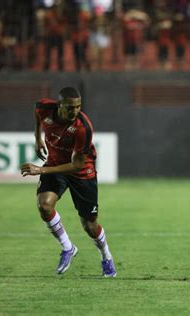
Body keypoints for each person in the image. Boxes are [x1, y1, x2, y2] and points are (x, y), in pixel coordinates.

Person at [20, 87, 117, 277]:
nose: (75, 111)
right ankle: (67, 247)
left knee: (90, 225)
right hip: (56, 165)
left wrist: (40, 169)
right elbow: (37, 110)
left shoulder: (83, 127)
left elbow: (76, 166)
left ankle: (106, 256)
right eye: (70, 107)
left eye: (78, 107)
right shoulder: (45, 108)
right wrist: (37, 137)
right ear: (59, 105)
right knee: (44, 205)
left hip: (81, 172)